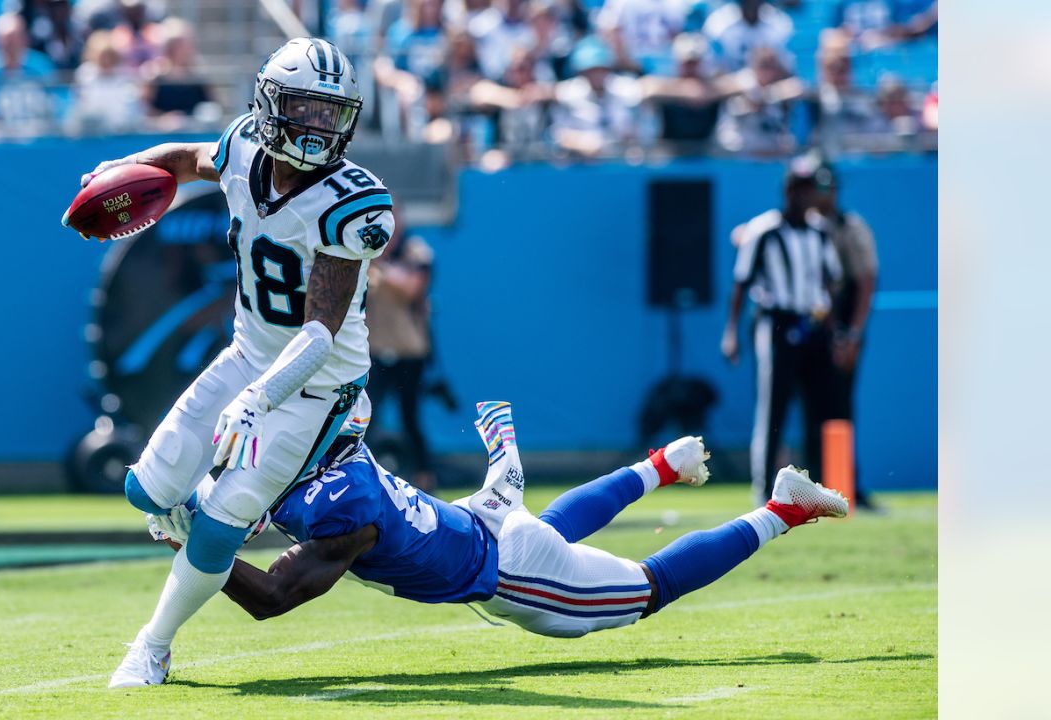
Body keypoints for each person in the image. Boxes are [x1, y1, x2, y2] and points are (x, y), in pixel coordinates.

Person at [65, 38, 396, 689]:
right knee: (145, 491)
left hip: (316, 387)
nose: (317, 126)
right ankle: (193, 517)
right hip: (248, 355)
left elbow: (321, 334)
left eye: (331, 113)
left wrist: (259, 400)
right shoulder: (244, 144)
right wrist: (125, 164)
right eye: (304, 107)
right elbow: (186, 159)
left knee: (218, 528)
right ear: (271, 104)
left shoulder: (353, 202)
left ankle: (153, 647)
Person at [146, 400, 846, 658]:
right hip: (481, 525)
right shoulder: (341, 460)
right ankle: (662, 465)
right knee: (550, 533)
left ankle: (782, 506)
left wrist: (193, 537)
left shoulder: (343, 508)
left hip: (506, 572)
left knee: (645, 590)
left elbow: (274, 597)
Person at [721, 154, 843, 505]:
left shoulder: (820, 232)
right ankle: (763, 489)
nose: (809, 197)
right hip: (776, 322)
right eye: (803, 189)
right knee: (773, 406)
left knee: (819, 406)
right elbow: (741, 283)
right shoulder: (764, 230)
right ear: (789, 190)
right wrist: (730, 331)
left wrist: (832, 330)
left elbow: (831, 281)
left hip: (813, 323)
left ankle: (818, 487)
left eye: (813, 190)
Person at [807, 157, 880, 511]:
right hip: (808, 329)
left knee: (839, 407)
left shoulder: (850, 227)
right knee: (810, 409)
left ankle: (846, 483)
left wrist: (851, 334)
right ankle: (810, 486)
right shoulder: (799, 227)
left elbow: (864, 282)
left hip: (839, 330)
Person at [365, 212, 437, 490]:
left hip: (409, 350)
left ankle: (425, 479)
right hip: (375, 349)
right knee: (365, 417)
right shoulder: (367, 254)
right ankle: (364, 478)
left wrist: (377, 260)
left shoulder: (414, 249)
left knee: (411, 419)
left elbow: (412, 287)